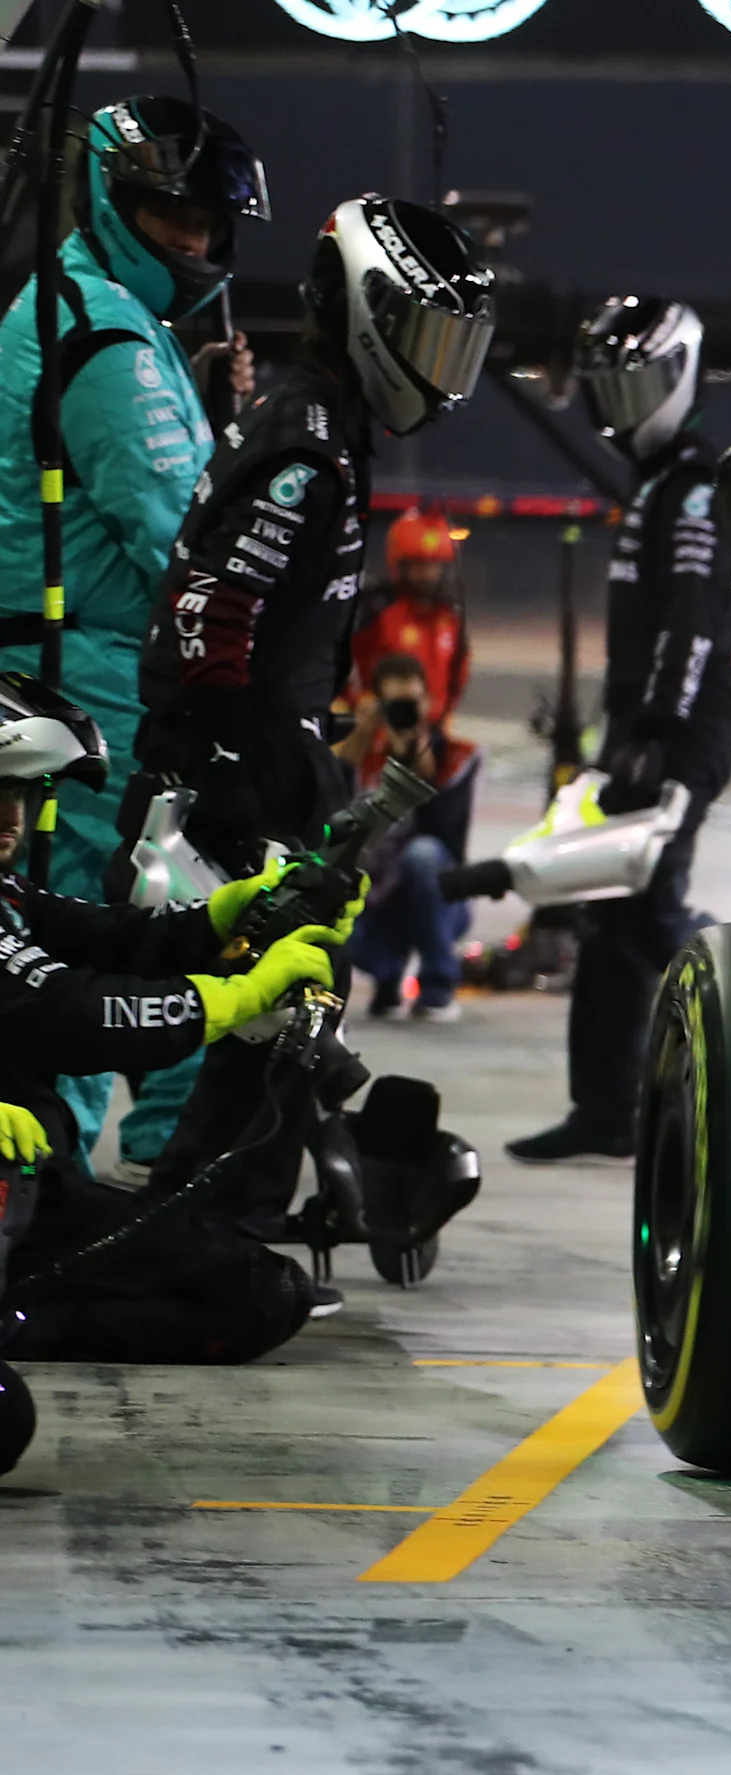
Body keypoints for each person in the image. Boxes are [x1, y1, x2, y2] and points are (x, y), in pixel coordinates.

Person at [130, 194, 495, 1222]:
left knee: (275, 1031)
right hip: (241, 775)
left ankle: (212, 1233)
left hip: (266, 758)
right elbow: (211, 614)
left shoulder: (323, 423)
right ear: (360, 311)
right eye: (423, 333)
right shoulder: (306, 444)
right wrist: (240, 779)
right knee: (279, 1022)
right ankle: (207, 1239)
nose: (435, 365)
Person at [0, 98, 266, 1169]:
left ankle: (54, 1187)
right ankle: (147, 1188)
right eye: (171, 215)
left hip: (58, 676)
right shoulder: (106, 332)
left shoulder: (88, 308)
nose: (194, 242)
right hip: (88, 684)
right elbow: (179, 534)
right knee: (132, 937)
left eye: (207, 222)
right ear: (112, 198)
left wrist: (197, 394)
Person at [0, 674, 327, 1359]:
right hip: (16, 1187)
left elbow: (104, 934)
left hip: (34, 1190)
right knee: (251, 1295)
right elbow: (74, 1014)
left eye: (21, 794)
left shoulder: (7, 891)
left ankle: (22, 1312)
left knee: (261, 1290)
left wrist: (227, 912)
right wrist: (240, 997)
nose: (11, 818)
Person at [512, 296, 731, 1161]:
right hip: (646, 728)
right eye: (611, 387)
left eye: (638, 383)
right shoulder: (659, 486)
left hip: (678, 732)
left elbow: (690, 622)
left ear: (681, 376)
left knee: (648, 909)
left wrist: (654, 732)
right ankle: (604, 1111)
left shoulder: (695, 491)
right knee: (607, 913)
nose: (621, 405)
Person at [341, 651, 477, 1019]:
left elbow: (445, 835)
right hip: (374, 898)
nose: (403, 712)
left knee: (423, 854)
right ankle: (386, 976)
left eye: (411, 703)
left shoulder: (453, 756)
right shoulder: (360, 751)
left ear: (429, 704)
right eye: (394, 704)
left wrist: (415, 756)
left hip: (437, 898)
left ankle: (437, 985)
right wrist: (362, 734)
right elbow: (330, 808)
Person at [351, 507, 470, 729]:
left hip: (433, 730)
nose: (428, 575)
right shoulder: (377, 612)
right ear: (401, 566)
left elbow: (459, 670)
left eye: (434, 565)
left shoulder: (450, 617)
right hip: (379, 730)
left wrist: (443, 712)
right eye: (419, 565)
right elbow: (349, 666)